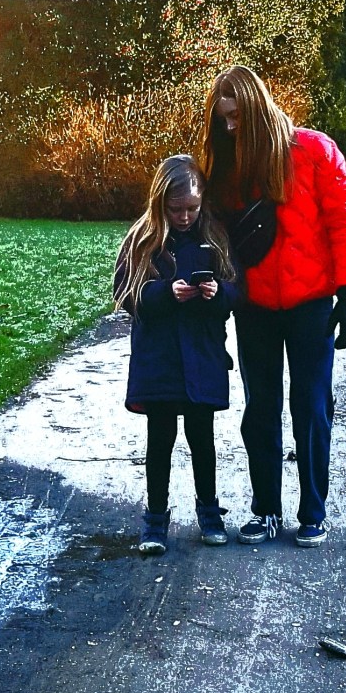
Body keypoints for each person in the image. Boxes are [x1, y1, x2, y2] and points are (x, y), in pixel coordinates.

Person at [201, 65, 346, 547]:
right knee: (261, 408)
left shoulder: (315, 151)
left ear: (255, 109)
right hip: (254, 307)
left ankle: (313, 511)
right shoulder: (229, 169)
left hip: (311, 303)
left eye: (235, 118)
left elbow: (344, 222)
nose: (229, 128)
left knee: (312, 408)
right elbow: (211, 235)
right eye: (222, 119)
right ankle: (266, 510)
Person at [114, 154, 241, 555]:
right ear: (160, 203)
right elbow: (125, 293)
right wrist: (164, 292)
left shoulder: (215, 237)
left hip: (202, 355)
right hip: (160, 359)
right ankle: (155, 518)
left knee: (202, 438)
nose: (184, 216)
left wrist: (218, 294)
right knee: (160, 440)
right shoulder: (142, 239)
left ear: (202, 202)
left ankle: (209, 512)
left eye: (191, 208)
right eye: (175, 209)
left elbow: (235, 290)